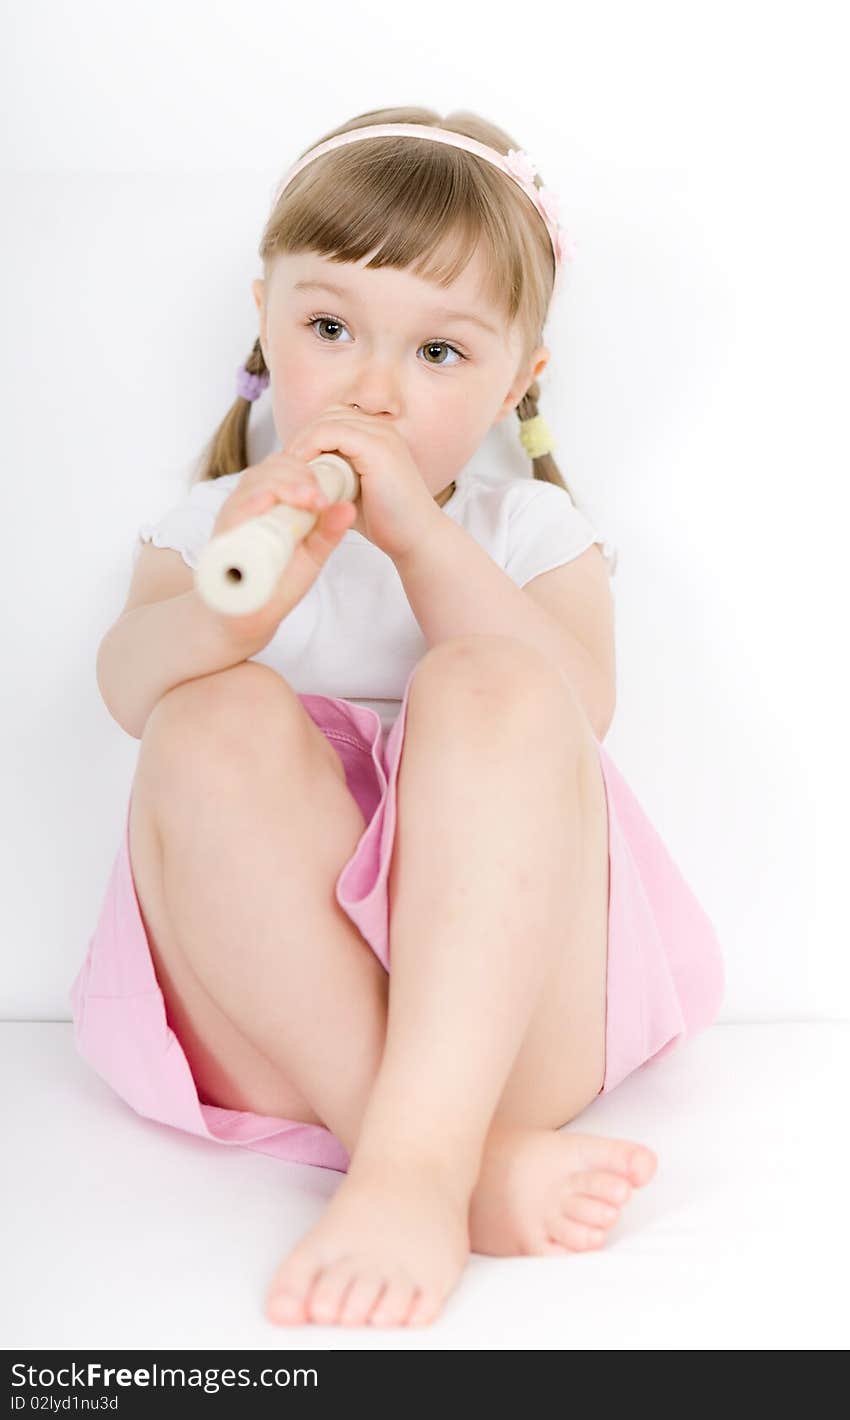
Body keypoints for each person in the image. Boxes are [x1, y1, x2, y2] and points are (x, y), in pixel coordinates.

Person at [70, 106, 725, 1331]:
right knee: (204, 719)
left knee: (493, 683)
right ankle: (441, 1162)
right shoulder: (213, 520)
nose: (373, 386)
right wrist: (236, 607)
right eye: (330, 329)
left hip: (504, 1006)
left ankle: (421, 1153)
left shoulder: (530, 531)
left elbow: (576, 712)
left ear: (517, 379)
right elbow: (126, 692)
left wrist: (418, 534)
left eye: (439, 353)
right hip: (271, 1018)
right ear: (266, 325)